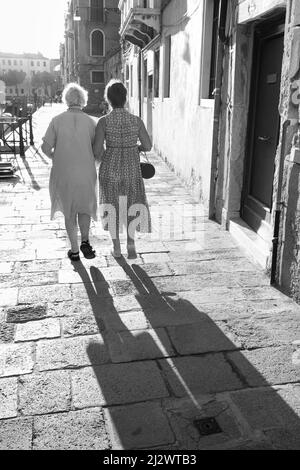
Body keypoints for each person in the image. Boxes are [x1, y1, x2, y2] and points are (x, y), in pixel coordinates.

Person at [93, 79, 152, 259]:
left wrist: (109, 153)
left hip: (109, 169)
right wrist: (135, 148)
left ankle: (116, 247)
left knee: (111, 207)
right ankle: (131, 244)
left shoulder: (103, 121)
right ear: (125, 98)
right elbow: (148, 146)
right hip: (131, 169)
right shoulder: (136, 120)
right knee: (132, 205)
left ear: (108, 99)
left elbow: (96, 151)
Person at [41, 83, 97, 262]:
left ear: (66, 99)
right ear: (83, 100)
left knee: (69, 211)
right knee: (85, 208)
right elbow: (98, 151)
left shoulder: (56, 120)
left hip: (63, 172)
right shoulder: (91, 122)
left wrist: (55, 157)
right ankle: (86, 241)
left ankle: (74, 250)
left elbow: (45, 147)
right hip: (86, 172)